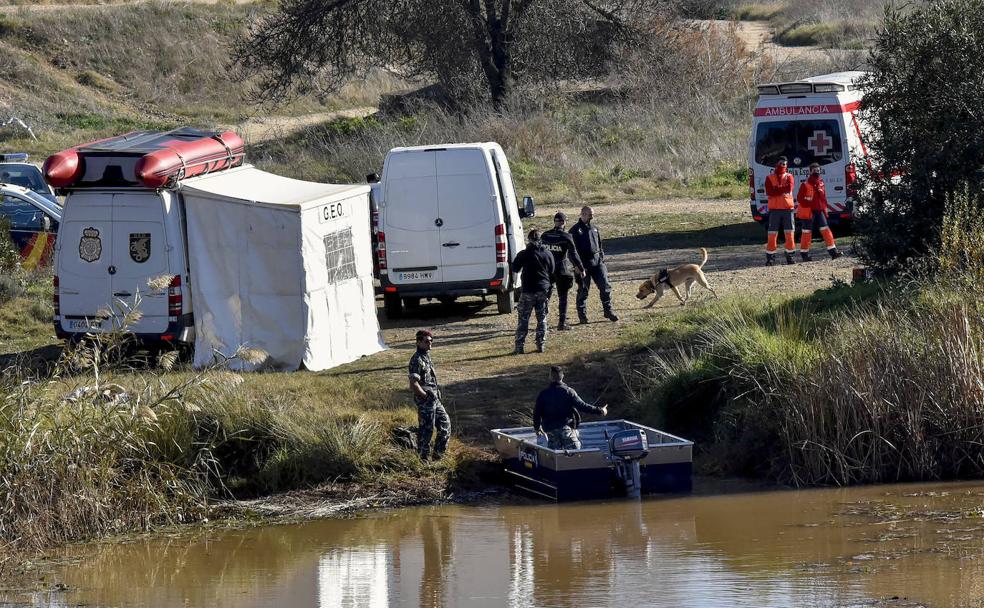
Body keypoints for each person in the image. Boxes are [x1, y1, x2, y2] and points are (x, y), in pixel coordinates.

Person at [533, 366, 609, 450]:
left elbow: (537, 413)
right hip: (566, 429)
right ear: (562, 376)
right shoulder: (569, 391)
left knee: (555, 455)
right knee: (575, 453)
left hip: (550, 431)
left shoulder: (543, 394)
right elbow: (582, 406)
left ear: (550, 377)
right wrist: (600, 410)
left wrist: (537, 428)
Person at [570, 205, 618, 323]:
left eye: (592, 214)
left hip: (597, 262)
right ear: (583, 214)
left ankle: (608, 310)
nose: (592, 217)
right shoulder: (574, 230)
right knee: (583, 290)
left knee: (605, 286)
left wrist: (601, 257)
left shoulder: (594, 228)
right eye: (590, 215)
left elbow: (599, 245)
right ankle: (582, 315)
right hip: (583, 264)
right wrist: (576, 265)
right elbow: (571, 251)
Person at [408, 329, 450, 461]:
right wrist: (425, 397)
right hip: (426, 401)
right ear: (418, 342)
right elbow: (413, 384)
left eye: (431, 341)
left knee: (445, 425)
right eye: (426, 341)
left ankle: (438, 456)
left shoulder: (426, 356)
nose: (430, 343)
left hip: (435, 400)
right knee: (426, 431)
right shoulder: (416, 359)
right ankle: (423, 460)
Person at [511, 229, 555, 354]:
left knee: (523, 320)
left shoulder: (524, 254)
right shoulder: (548, 254)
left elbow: (515, 268)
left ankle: (519, 347)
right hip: (543, 290)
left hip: (528, 291)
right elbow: (552, 271)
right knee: (542, 318)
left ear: (529, 240)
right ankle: (541, 345)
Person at [540, 211, 584, 331]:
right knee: (563, 297)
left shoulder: (545, 235)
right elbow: (573, 254)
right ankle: (562, 323)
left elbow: (539, 252)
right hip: (561, 269)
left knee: (546, 295)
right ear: (564, 223)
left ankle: (542, 321)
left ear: (554, 222)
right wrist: (581, 268)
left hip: (547, 269)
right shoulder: (566, 236)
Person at [796, 163, 842, 262]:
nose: (816, 172)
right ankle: (804, 254)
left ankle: (833, 252)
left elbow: (823, 198)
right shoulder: (805, 184)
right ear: (810, 172)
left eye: (818, 170)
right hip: (809, 212)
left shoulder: (821, 183)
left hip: (819, 211)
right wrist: (809, 203)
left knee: (826, 230)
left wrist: (825, 210)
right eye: (814, 170)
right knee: (806, 232)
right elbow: (800, 198)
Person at [764, 156, 797, 266]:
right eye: (781, 163)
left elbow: (789, 188)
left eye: (785, 164)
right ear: (777, 164)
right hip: (774, 210)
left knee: (790, 233)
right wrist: (782, 189)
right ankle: (770, 258)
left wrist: (777, 189)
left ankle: (790, 256)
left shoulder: (789, 176)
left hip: (788, 209)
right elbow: (770, 191)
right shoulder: (769, 177)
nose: (783, 165)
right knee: (772, 234)